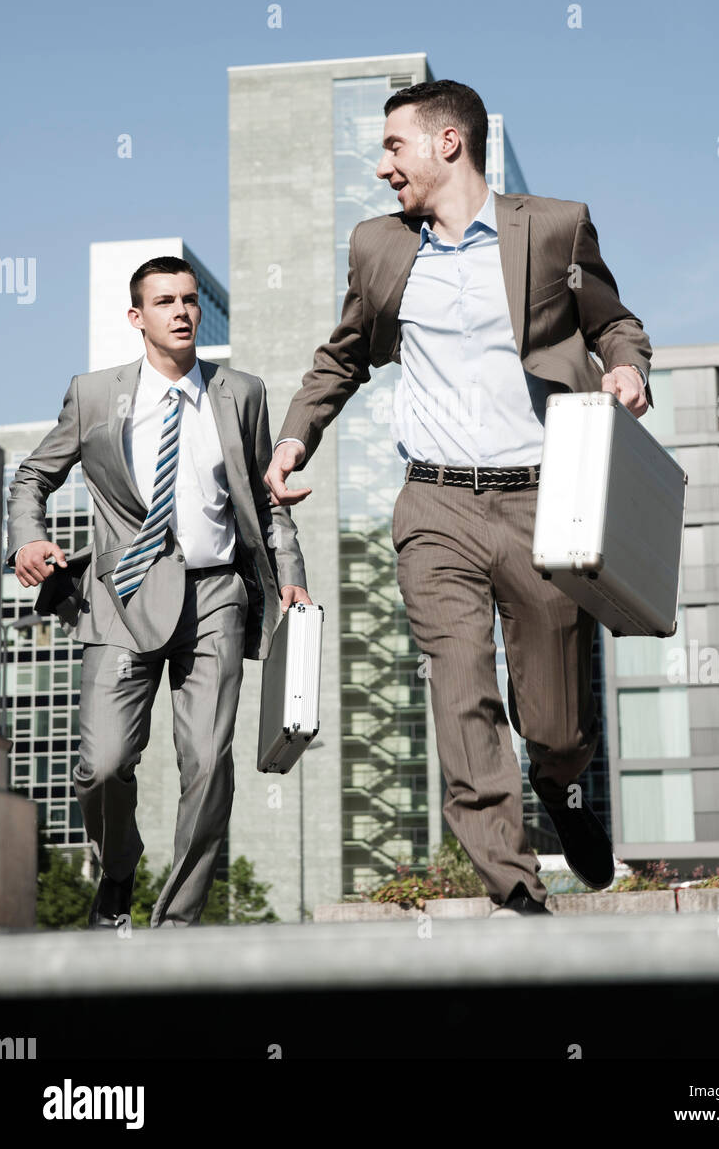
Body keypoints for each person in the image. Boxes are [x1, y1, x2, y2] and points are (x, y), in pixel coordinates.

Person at [264, 80, 652, 917]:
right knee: (458, 680)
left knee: (553, 720)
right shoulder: (379, 246)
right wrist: (296, 437)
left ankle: (558, 785)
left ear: (449, 144)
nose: (380, 168)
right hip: (434, 505)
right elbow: (342, 357)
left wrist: (626, 367)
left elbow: (612, 321)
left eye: (393, 147)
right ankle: (513, 886)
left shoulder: (554, 227)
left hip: (545, 502)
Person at [6, 257, 311, 928]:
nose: (181, 311)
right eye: (165, 300)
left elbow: (268, 504)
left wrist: (291, 574)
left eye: (190, 300)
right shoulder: (94, 395)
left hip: (216, 598)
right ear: (136, 316)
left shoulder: (242, 393)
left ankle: (176, 921)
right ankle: (117, 868)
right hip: (122, 598)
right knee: (102, 765)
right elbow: (31, 478)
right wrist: (28, 539)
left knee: (207, 762)